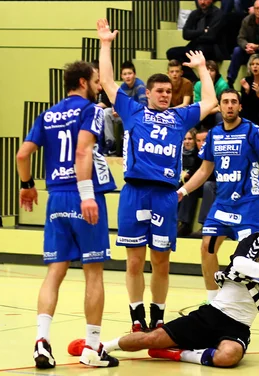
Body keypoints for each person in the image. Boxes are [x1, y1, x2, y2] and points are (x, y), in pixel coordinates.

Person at [68, 212, 259, 367]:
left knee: (230, 357)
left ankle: (180, 354)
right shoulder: (254, 241)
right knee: (150, 338)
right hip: (211, 315)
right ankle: (102, 347)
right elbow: (238, 262)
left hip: (238, 326)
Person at [96, 19, 218, 333]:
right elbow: (108, 82)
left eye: (168, 91)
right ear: (147, 93)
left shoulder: (180, 115)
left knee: (161, 261)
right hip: (135, 191)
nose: (165, 95)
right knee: (134, 261)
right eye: (159, 91)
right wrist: (106, 43)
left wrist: (202, 69)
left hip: (165, 195)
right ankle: (137, 318)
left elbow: (210, 102)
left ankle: (159, 316)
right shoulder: (133, 110)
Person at [16, 60, 119, 369]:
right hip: (83, 194)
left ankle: (41, 341)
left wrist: (27, 186)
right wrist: (87, 195)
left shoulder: (47, 114)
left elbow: (23, 154)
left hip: (56, 197)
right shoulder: (91, 111)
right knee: (93, 272)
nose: (100, 86)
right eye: (97, 81)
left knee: (54, 272)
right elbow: (83, 152)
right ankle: (91, 348)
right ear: (84, 83)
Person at [178, 89, 259, 324]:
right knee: (207, 248)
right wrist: (183, 190)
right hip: (222, 204)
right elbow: (204, 170)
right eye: (225, 102)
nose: (229, 106)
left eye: (234, 102)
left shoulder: (252, 130)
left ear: (240, 107)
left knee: (258, 258)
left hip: (247, 205)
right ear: (219, 107)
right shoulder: (213, 134)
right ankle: (213, 300)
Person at [103, 61, 147, 156]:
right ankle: (111, 143)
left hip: (138, 116)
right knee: (106, 112)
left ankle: (128, 143)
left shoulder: (140, 86)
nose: (127, 76)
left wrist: (123, 112)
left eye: (130, 73)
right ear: (121, 76)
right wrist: (115, 109)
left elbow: (143, 106)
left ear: (134, 74)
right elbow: (115, 101)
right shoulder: (122, 87)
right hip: (125, 114)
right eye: (125, 74)